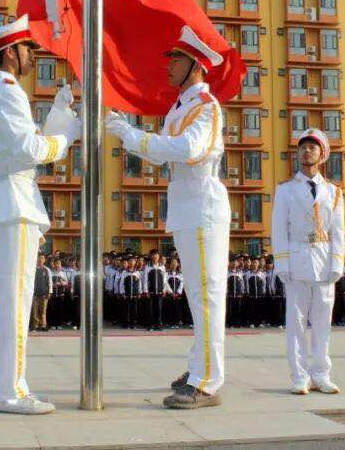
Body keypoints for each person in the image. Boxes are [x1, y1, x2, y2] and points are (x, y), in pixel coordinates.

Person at [105, 25, 230, 410]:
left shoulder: (206, 107)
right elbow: (161, 153)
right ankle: (198, 367)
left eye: (176, 59)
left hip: (202, 204)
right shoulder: (180, 107)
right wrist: (126, 132)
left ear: (195, 64)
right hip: (186, 205)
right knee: (197, 294)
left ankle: (207, 380)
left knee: (207, 295)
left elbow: (186, 150)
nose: (169, 66)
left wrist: (128, 133)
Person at [0, 15, 79, 415]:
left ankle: (4, 387)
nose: (33, 56)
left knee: (8, 302)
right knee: (15, 303)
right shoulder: (7, 91)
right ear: (9, 53)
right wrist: (68, 136)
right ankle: (11, 392)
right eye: (27, 49)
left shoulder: (6, 92)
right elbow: (33, 151)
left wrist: (59, 113)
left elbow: (30, 143)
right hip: (13, 199)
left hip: (12, 197)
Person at [271, 128, 345, 395]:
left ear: (322, 154)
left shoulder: (334, 192)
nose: (306, 151)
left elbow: (338, 230)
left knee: (323, 323)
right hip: (297, 258)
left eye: (312, 147)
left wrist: (337, 262)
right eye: (302, 147)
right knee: (296, 322)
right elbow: (278, 229)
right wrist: (282, 263)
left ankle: (322, 374)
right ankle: (300, 376)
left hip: (324, 260)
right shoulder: (286, 190)